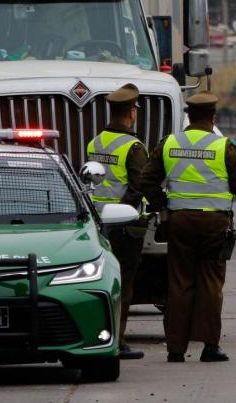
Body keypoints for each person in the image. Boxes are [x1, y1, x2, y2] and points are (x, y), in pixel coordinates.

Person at [139, 91, 236, 363]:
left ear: (188, 116)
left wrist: (162, 203)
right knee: (211, 284)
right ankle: (210, 347)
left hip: (179, 222)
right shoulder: (223, 146)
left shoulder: (169, 143)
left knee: (179, 283)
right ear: (213, 117)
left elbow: (146, 181)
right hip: (215, 223)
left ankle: (175, 350)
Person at [86, 83, 148, 360]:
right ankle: (118, 340)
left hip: (98, 224)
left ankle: (101, 334)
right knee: (123, 283)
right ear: (132, 113)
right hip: (125, 227)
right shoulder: (134, 147)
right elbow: (139, 187)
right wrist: (125, 212)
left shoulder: (96, 141)